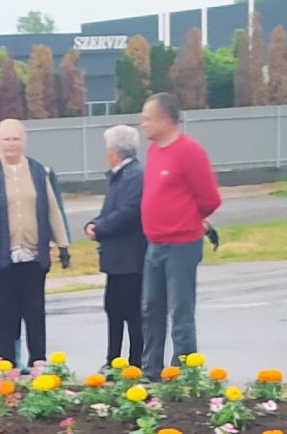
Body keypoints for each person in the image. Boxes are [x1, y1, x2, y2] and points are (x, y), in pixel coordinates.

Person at [0, 118, 71, 369]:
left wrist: (63, 245)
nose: (11, 144)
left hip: (32, 256)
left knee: (35, 312)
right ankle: (7, 366)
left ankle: (38, 363)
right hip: (1, 257)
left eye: (15, 139)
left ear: (23, 141)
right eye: (6, 139)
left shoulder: (38, 172)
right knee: (5, 314)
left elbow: (52, 209)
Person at [138, 89, 221, 374]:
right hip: (154, 243)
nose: (143, 124)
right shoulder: (154, 150)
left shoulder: (190, 152)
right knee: (151, 308)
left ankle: (184, 371)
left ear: (165, 119)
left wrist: (189, 218)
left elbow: (210, 198)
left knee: (180, 310)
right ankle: (151, 368)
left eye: (147, 118)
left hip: (181, 244)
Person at [86, 125, 145, 368]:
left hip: (130, 258)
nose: (105, 152)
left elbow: (128, 212)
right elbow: (109, 211)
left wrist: (99, 228)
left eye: (107, 148)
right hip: (117, 259)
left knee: (132, 312)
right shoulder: (119, 175)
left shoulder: (134, 176)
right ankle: (113, 360)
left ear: (115, 152)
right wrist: (94, 223)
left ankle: (135, 362)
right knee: (113, 309)